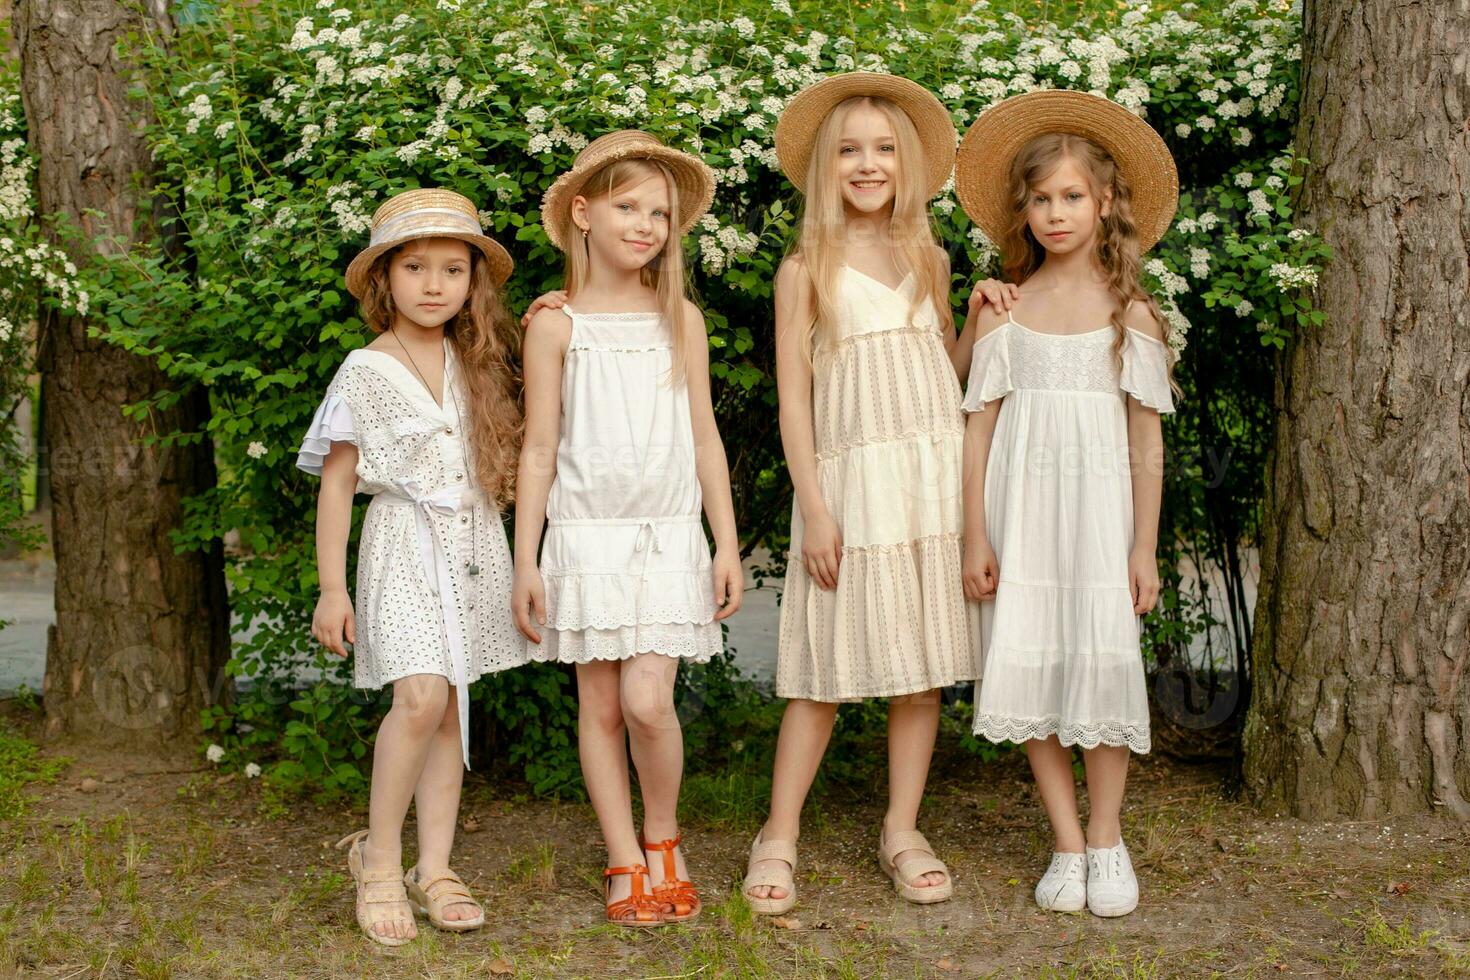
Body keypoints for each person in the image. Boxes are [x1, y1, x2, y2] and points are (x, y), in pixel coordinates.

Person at [954, 90, 1181, 918]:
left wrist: (1144, 548)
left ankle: (1110, 836)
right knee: (1036, 667)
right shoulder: (1006, 313)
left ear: (1107, 202)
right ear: (1024, 210)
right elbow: (976, 431)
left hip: (1099, 525)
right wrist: (975, 532)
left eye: (1073, 197)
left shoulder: (1132, 316)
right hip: (1021, 520)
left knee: (1098, 666)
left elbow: (1146, 443)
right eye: (1041, 199)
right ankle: (1067, 841)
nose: (1056, 213)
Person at [513, 131, 743, 927]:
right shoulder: (554, 324)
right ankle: (621, 856)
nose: (646, 225)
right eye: (628, 206)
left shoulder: (678, 317)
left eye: (660, 213)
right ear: (584, 212)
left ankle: (663, 839)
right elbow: (539, 446)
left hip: (665, 534)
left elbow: (705, 435)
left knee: (649, 702)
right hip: (583, 535)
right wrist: (526, 559)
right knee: (602, 707)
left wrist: (726, 543)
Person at [298, 188, 524, 944]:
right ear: (383, 279)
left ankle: (436, 865)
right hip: (401, 544)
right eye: (416, 267)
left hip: (470, 547)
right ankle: (380, 862)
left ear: (472, 282)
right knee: (420, 697)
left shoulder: (478, 362)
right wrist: (332, 588)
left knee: (451, 705)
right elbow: (336, 483)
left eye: (453, 269)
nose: (434, 284)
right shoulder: (365, 368)